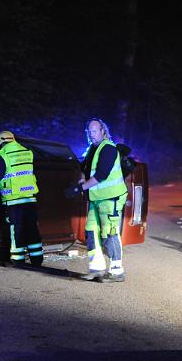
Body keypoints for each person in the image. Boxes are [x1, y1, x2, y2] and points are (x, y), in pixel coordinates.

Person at [64, 118, 128, 283]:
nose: (92, 134)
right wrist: (82, 178)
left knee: (109, 234)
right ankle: (96, 269)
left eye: (95, 131)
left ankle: (116, 271)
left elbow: (101, 175)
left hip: (111, 198)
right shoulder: (92, 149)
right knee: (91, 232)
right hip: (97, 198)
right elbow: (83, 167)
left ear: (103, 131)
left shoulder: (108, 148)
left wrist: (80, 188)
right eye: (89, 131)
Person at [0, 130, 43, 267]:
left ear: (0, 143)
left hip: (13, 200)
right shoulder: (27, 152)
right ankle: (37, 258)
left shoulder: (3, 155)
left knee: (16, 230)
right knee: (32, 229)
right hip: (30, 199)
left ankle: (18, 259)